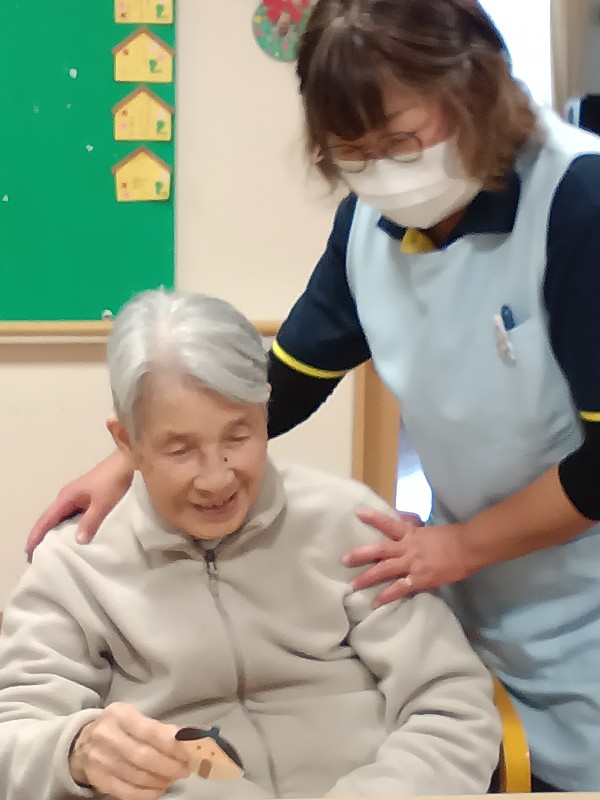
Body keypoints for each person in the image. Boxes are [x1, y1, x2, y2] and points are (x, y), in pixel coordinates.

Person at [24, 0, 600, 791]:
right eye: (352, 153)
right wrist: (133, 461)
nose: (382, 172)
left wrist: (460, 547)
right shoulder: (370, 222)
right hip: (477, 594)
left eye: (400, 141)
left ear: (475, 88)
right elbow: (281, 382)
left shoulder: (579, 203)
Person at [0, 289, 500, 800]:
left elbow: (452, 706)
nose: (217, 478)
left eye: (238, 437)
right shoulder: (76, 564)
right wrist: (76, 749)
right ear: (127, 443)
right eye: (180, 449)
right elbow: (13, 738)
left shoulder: (349, 523)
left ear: (266, 412)